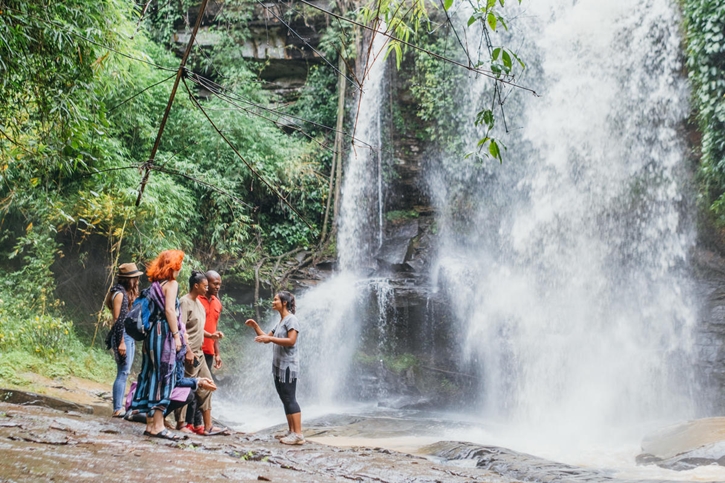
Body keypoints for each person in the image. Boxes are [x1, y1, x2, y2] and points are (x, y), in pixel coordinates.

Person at [130, 249, 185, 440]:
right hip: (164, 334)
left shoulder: (155, 285)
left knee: (151, 373)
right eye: (179, 263)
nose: (181, 267)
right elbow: (170, 311)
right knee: (164, 375)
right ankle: (158, 426)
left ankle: (150, 424)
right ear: (173, 265)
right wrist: (177, 336)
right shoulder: (171, 284)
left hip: (151, 336)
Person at [245, 291, 304, 445]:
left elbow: (291, 341)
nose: (273, 302)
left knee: (290, 398)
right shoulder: (281, 321)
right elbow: (266, 338)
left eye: (276, 299)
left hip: (288, 366)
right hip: (279, 366)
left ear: (284, 302)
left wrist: (269, 338)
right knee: (284, 398)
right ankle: (291, 431)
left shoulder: (292, 320)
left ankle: (298, 434)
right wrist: (255, 326)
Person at [178, 270, 227, 435]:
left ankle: (208, 426)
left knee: (208, 386)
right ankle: (181, 424)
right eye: (205, 286)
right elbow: (180, 329)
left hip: (200, 352)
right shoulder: (184, 302)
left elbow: (199, 328)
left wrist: (211, 336)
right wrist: (188, 350)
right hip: (188, 353)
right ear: (196, 285)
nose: (208, 289)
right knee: (186, 388)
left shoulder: (200, 304)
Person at [105, 262, 143, 417]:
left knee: (125, 372)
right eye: (135, 278)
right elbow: (118, 320)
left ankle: (119, 406)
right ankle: (117, 408)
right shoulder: (119, 294)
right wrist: (120, 342)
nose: (137, 281)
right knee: (123, 372)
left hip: (128, 335)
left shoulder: (123, 292)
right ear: (129, 279)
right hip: (123, 335)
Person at [200, 270, 224, 374]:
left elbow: (215, 329)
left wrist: (217, 353)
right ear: (206, 283)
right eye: (215, 284)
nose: (217, 287)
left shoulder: (217, 303)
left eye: (219, 284)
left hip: (209, 351)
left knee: (204, 386)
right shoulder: (195, 300)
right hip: (195, 350)